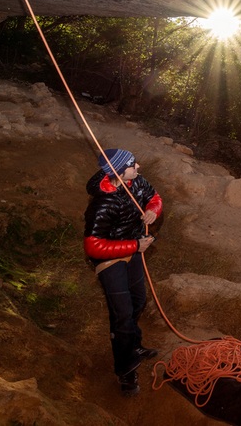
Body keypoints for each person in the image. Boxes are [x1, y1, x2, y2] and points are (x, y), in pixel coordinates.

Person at [83, 148, 163, 396]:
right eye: (132, 164)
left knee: (138, 300)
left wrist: (153, 209)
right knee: (123, 315)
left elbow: (155, 197)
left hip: (132, 251)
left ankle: (133, 345)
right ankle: (126, 371)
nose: (138, 166)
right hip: (109, 259)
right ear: (118, 172)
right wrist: (135, 246)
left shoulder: (136, 182)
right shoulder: (102, 203)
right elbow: (93, 246)